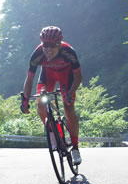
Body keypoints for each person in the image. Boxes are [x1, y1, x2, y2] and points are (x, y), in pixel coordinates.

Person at [20, 26, 82, 165]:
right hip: (48, 74)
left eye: (52, 46)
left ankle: (75, 148)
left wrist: (70, 93)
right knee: (41, 105)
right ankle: (56, 137)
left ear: (59, 45)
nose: (48, 49)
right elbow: (29, 79)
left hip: (67, 76)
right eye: (45, 45)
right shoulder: (37, 54)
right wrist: (25, 100)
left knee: (69, 109)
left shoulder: (68, 52)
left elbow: (78, 76)